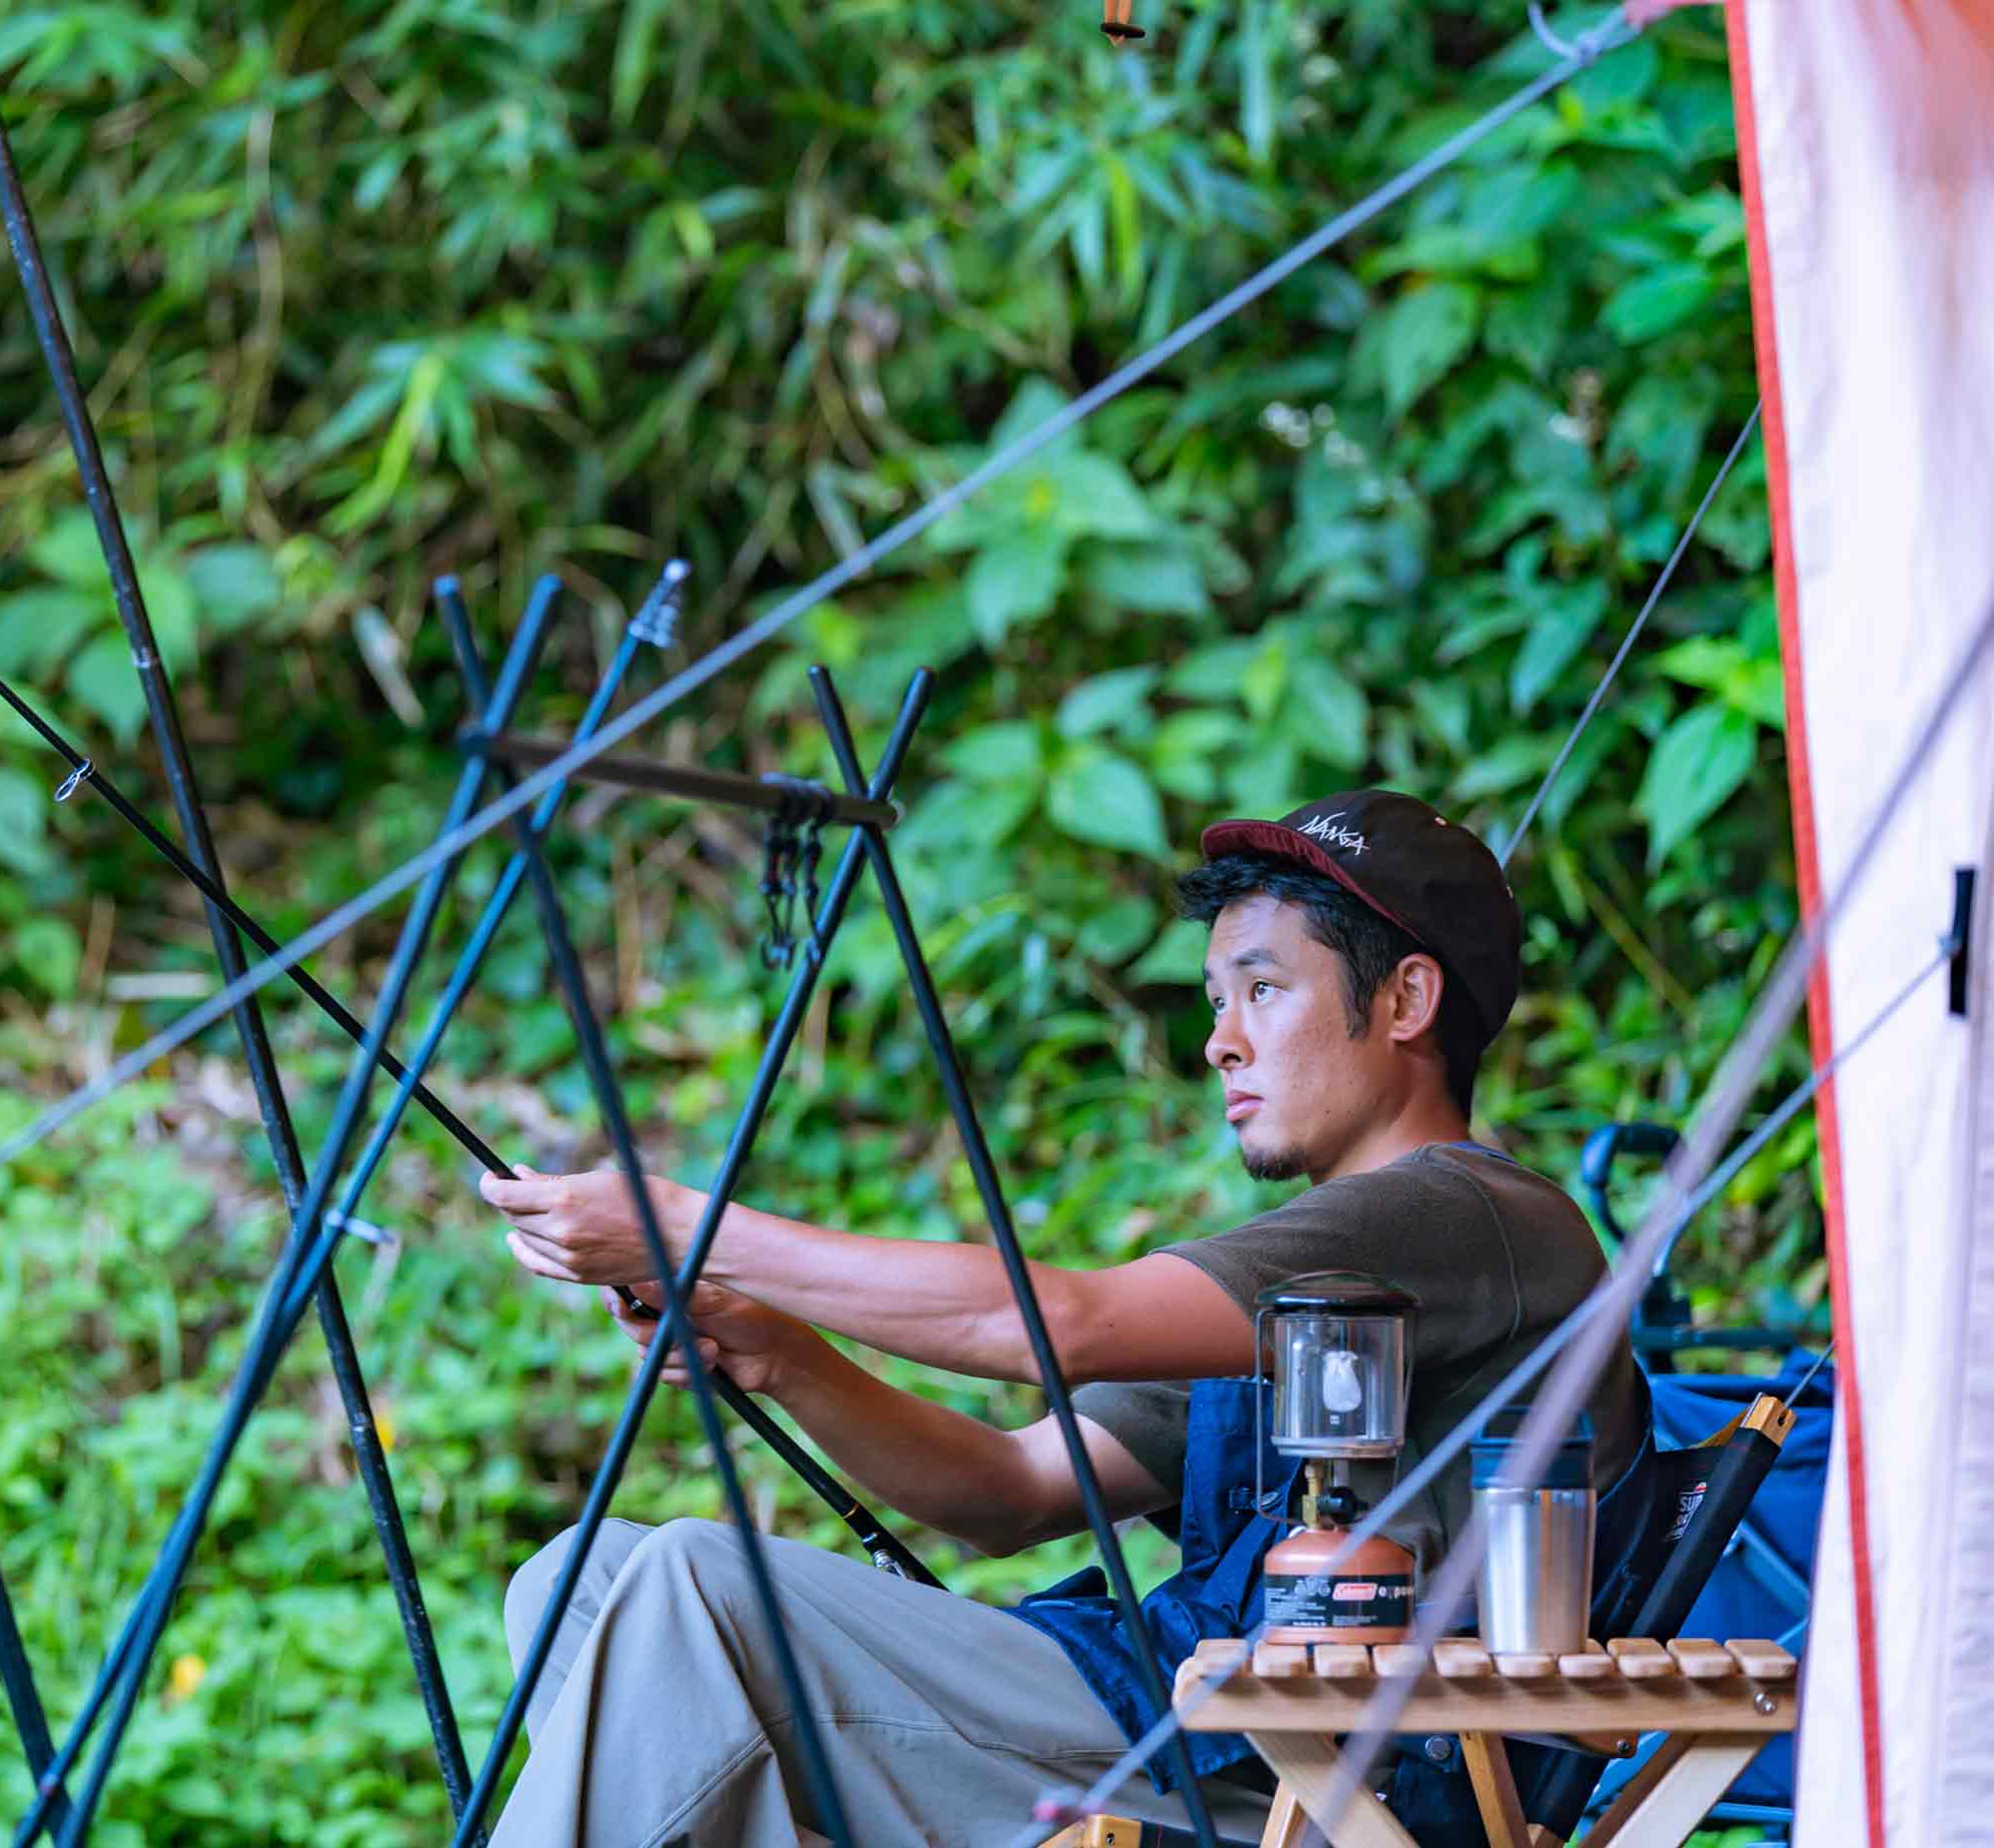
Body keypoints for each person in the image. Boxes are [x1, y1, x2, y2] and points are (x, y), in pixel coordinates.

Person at [478, 788, 1649, 1847]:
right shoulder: (1302, 1265)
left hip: (1307, 1782)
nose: (1219, 1038)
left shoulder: (1465, 1213)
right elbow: (1011, 1489)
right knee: (578, 1582)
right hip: (1171, 1714)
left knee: (686, 1582)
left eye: (1261, 987)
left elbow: (1052, 1324)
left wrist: (689, 1225)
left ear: (1404, 998)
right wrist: (782, 1356)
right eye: (1214, 998)